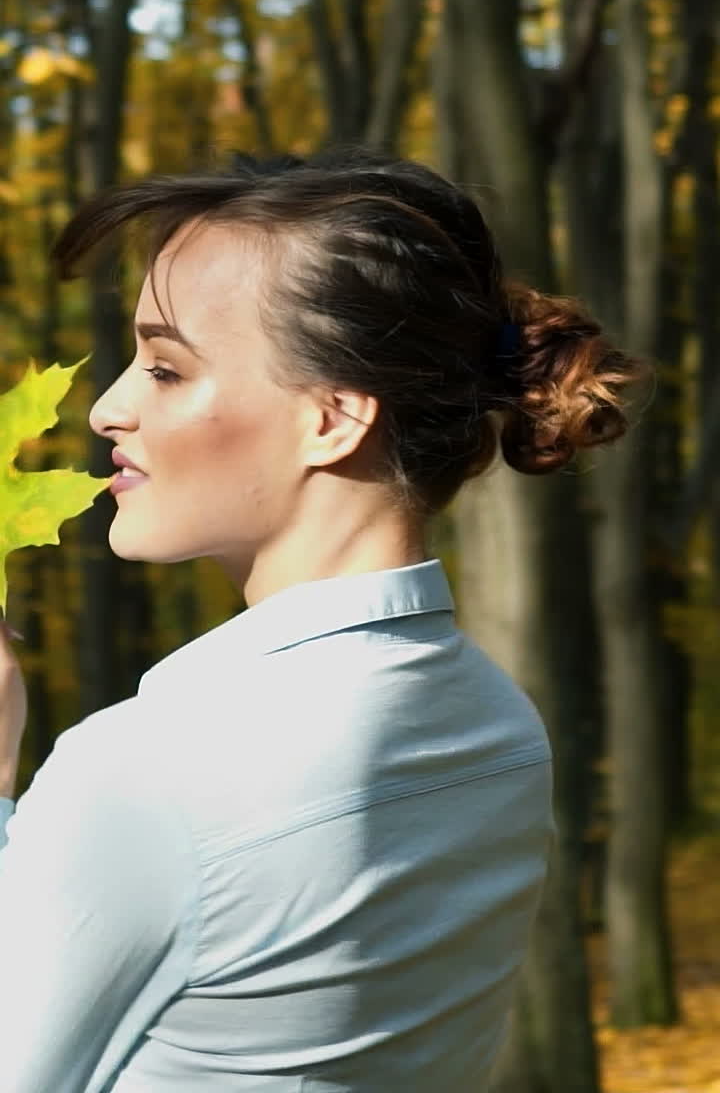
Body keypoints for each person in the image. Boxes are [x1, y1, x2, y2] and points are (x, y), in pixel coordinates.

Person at [0, 150, 642, 1092]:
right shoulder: (502, 730)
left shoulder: (144, 774)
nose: (107, 408)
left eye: (166, 369)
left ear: (333, 419)